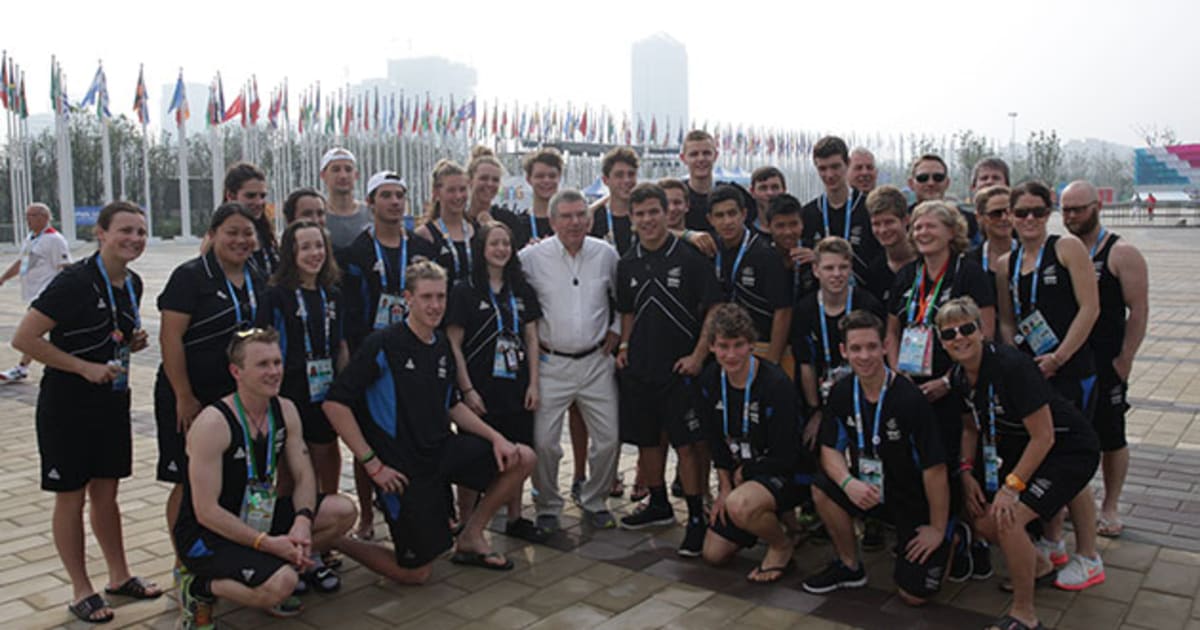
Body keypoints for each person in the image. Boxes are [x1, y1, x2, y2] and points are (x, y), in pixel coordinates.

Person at [323, 261, 535, 582]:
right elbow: (335, 404)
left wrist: (496, 438)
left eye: (441, 297)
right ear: (408, 298)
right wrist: (372, 463)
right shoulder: (383, 344)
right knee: (417, 574)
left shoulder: (441, 346)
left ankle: (471, 536)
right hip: (402, 470)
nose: (435, 305)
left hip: (439, 452)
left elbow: (453, 405)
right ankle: (336, 540)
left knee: (522, 457)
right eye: (426, 297)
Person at [13, 201, 161, 624]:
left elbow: (107, 331)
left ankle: (119, 575)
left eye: (141, 232)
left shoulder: (131, 282)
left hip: (112, 401)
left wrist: (128, 344)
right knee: (71, 496)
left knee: (107, 495)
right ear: (100, 233)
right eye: (125, 231)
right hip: (67, 404)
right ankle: (81, 589)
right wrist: (83, 366)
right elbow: (24, 338)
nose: (134, 239)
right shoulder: (75, 281)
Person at [174, 328, 357, 628]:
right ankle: (197, 586)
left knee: (343, 511)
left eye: (277, 362)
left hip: (257, 517)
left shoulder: (285, 410)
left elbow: (303, 474)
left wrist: (302, 519)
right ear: (236, 371)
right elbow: (206, 512)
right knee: (281, 585)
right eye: (262, 365)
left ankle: (264, 569)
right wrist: (268, 544)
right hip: (206, 534)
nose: (274, 372)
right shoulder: (213, 424)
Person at [939, 297, 1102, 629]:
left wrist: (1011, 488)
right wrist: (966, 471)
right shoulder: (958, 376)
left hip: (1068, 449)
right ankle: (1040, 565)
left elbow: (1044, 436)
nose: (959, 338)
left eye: (967, 328)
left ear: (981, 329)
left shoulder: (1012, 366)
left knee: (1007, 518)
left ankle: (1025, 615)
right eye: (949, 333)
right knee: (981, 520)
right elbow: (970, 427)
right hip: (1027, 449)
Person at [800, 311, 952, 606]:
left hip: (911, 498)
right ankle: (849, 566)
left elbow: (935, 469)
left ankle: (953, 535)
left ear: (885, 346)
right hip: (868, 491)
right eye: (856, 348)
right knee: (822, 486)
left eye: (872, 346)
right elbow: (829, 449)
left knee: (913, 595)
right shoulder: (842, 392)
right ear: (844, 351)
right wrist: (847, 483)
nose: (865, 355)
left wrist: (935, 527)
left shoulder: (909, 399)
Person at [886, 199, 995, 581]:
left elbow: (988, 332)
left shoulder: (970, 274)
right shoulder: (906, 276)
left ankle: (970, 536)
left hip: (957, 386)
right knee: (921, 463)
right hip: (912, 389)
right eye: (917, 227)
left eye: (931, 226)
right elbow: (892, 330)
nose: (922, 233)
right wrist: (897, 372)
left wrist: (949, 381)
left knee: (959, 464)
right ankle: (936, 530)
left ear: (952, 231)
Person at [997, 181, 1100, 580]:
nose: (1028, 220)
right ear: (1010, 215)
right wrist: (1018, 364)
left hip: (1072, 371)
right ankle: (1054, 541)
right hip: (1034, 376)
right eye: (1020, 212)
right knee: (1044, 457)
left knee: (1072, 459)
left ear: (1049, 212)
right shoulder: (1007, 262)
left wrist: (1059, 357)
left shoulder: (1066, 249)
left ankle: (1089, 555)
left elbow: (1090, 308)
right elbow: (1007, 320)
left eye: (1037, 211)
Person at [157, 203, 268, 569]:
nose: (241, 240)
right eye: (231, 232)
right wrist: (184, 396)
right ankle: (184, 563)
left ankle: (223, 554)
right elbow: (171, 338)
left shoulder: (257, 273)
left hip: (236, 398)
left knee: (227, 477)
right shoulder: (190, 276)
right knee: (186, 481)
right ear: (214, 235)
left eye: (247, 233)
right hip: (191, 394)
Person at [615, 183, 721, 555]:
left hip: (681, 369)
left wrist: (698, 355)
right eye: (639, 214)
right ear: (632, 219)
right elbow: (627, 310)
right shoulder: (626, 262)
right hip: (641, 367)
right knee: (647, 439)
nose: (647, 220)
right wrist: (625, 345)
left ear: (667, 213)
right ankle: (658, 503)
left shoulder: (690, 257)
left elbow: (713, 308)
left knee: (689, 445)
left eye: (653, 212)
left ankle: (695, 516)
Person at [336, 170, 433, 540]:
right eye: (386, 195)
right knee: (368, 436)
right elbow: (346, 314)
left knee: (417, 431)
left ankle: (419, 503)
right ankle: (366, 516)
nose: (394, 202)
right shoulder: (355, 254)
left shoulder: (422, 251)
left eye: (399, 195)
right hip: (370, 356)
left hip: (412, 353)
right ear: (371, 202)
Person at [519, 189, 622, 531]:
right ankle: (548, 504)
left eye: (581, 215)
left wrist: (618, 329)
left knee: (608, 438)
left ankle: (594, 499)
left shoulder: (606, 254)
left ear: (590, 219)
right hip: (551, 363)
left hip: (596, 361)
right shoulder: (531, 258)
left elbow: (624, 296)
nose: (575, 222)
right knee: (545, 443)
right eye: (566, 216)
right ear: (552, 221)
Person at [261, 220, 349, 591]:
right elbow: (264, 346)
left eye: (319, 246)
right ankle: (286, 547)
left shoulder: (332, 293)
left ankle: (315, 548)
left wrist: (343, 389)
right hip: (289, 397)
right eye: (305, 247)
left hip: (324, 393)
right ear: (291, 253)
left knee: (325, 458)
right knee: (291, 473)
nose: (314, 254)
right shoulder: (276, 295)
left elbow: (340, 342)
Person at [445, 222, 546, 543]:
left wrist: (534, 384)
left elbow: (531, 338)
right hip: (480, 390)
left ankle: (515, 516)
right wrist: (466, 389)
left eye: (506, 243)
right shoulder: (464, 290)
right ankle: (467, 519)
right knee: (475, 454)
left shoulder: (521, 287)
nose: (501, 249)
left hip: (515, 387)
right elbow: (453, 343)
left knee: (519, 451)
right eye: (494, 243)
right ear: (482, 249)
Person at [1060, 180, 1149, 538]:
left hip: (1106, 363)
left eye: (1078, 209)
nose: (1071, 216)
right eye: (1065, 209)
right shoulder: (1063, 250)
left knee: (1111, 436)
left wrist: (1126, 358)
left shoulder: (1120, 252)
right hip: (1072, 363)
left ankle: (1110, 505)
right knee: (1072, 436)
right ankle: (1076, 499)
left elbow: (1139, 310)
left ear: (1097, 206)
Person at [698, 304, 802, 582]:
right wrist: (724, 488)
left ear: (752, 345)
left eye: (738, 345)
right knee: (714, 554)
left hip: (785, 474)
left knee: (740, 505)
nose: (731, 354)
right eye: (723, 346)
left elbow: (788, 455)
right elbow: (715, 441)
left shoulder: (775, 384)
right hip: (742, 478)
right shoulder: (710, 380)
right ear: (711, 347)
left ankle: (781, 544)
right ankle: (767, 520)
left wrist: (745, 474)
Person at [792, 237, 886, 447]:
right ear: (816, 270)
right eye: (829, 268)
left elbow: (879, 358)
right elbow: (805, 363)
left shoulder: (868, 304)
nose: (837, 274)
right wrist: (816, 411)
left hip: (863, 391)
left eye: (843, 267)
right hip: (821, 393)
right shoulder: (804, 310)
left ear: (851, 268)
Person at [709, 185, 791, 363]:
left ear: (744, 214)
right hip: (723, 347)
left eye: (732, 213)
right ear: (710, 219)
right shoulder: (709, 248)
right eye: (720, 216)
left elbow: (783, 309)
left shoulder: (764, 253)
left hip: (760, 346)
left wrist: (773, 359)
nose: (727, 221)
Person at [0, 202, 71, 382]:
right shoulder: (32, 237)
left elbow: (65, 267)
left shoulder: (55, 240)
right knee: (42, 332)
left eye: (31, 216)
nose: (27, 220)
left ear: (44, 217)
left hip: (47, 294)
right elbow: (22, 264)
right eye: (27, 216)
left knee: (30, 333)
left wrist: (61, 293)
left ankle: (23, 367)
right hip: (34, 293)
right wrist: (3, 278)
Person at [801, 136, 882, 287]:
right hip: (822, 302)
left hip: (864, 299)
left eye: (835, 167)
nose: (830, 175)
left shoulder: (869, 208)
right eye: (823, 169)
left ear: (847, 164)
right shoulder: (808, 213)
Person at [679, 129, 757, 230]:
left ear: (715, 156)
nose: (701, 159)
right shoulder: (676, 196)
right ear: (683, 158)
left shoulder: (735, 193)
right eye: (694, 154)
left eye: (706, 153)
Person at [416, 159, 475, 284]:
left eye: (462, 189)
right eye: (451, 190)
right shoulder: (424, 235)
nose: (458, 196)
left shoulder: (477, 230)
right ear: (437, 193)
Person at [907, 154, 980, 246]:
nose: (931, 183)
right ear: (911, 184)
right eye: (923, 178)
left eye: (938, 177)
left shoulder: (968, 220)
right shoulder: (901, 221)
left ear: (947, 183)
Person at [862, 186, 917, 306]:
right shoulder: (874, 271)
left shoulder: (927, 261)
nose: (883, 230)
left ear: (906, 220)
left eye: (889, 222)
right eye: (876, 224)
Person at [224, 162, 279, 276]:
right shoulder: (216, 237)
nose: (259, 202)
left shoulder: (266, 233)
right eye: (250, 196)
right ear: (230, 196)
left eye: (263, 196)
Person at [590, 146, 640, 255]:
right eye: (619, 175)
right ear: (605, 180)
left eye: (631, 174)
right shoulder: (594, 217)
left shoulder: (644, 215)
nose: (626, 180)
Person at [320, 148, 372, 249]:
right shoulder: (317, 215)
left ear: (356, 175)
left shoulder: (372, 214)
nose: (343, 176)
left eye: (348, 170)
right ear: (323, 175)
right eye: (336, 170)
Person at [967, 185, 1015, 280]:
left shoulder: (1029, 255)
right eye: (996, 214)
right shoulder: (969, 261)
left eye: (1009, 212)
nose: (1004, 218)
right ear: (979, 217)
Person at [465, 146, 505, 226]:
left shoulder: (509, 220)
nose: (490, 184)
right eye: (484, 178)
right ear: (469, 180)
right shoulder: (457, 220)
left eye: (495, 180)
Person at [748, 166, 787, 238]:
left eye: (775, 187)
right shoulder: (746, 232)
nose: (770, 193)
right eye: (763, 188)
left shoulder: (794, 230)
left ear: (784, 190)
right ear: (752, 192)